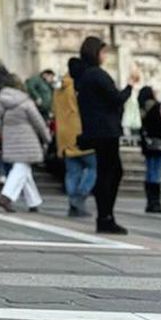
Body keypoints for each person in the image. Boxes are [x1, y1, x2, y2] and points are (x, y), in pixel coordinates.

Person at [75, 35, 139, 236]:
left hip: (97, 130)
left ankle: (105, 215)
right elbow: (116, 98)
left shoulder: (84, 76)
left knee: (109, 172)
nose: (105, 56)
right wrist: (130, 84)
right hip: (106, 131)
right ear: (95, 53)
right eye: (103, 52)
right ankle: (105, 216)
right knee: (111, 173)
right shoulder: (97, 74)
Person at [0, 73, 50, 213]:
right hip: (27, 139)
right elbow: (38, 122)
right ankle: (6, 196)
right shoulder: (26, 101)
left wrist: (1, 131)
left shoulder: (0, 101)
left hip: (9, 138)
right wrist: (47, 137)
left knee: (24, 169)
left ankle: (33, 201)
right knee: (21, 167)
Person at [54, 59, 95, 218]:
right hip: (80, 131)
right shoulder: (79, 87)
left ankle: (73, 204)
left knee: (72, 171)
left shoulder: (59, 89)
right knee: (94, 166)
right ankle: (81, 195)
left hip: (64, 134)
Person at [137, 85, 161, 214]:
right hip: (158, 144)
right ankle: (155, 203)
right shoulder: (155, 107)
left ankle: (150, 202)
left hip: (147, 145)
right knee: (156, 172)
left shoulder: (141, 109)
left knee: (150, 172)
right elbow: (159, 126)